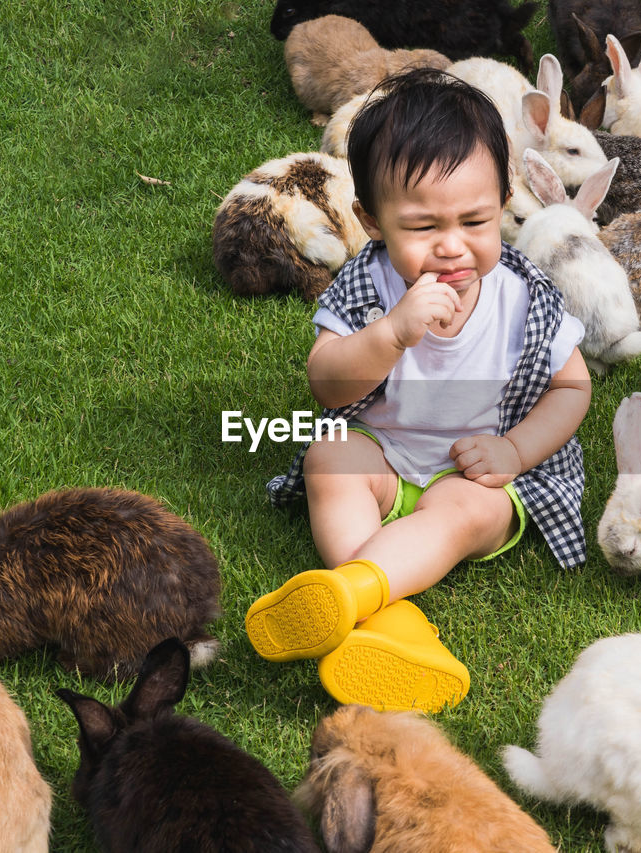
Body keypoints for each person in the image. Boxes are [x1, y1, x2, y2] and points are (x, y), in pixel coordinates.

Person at [249, 68, 591, 713]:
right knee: (329, 453)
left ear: (505, 199)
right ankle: (395, 626)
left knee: (466, 512)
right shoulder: (365, 285)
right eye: (423, 226)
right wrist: (391, 334)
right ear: (371, 221)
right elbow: (327, 386)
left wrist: (515, 453)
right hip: (386, 452)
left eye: (475, 220)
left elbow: (572, 387)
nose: (453, 247)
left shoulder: (523, 295)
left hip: (479, 471)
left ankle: (349, 594)